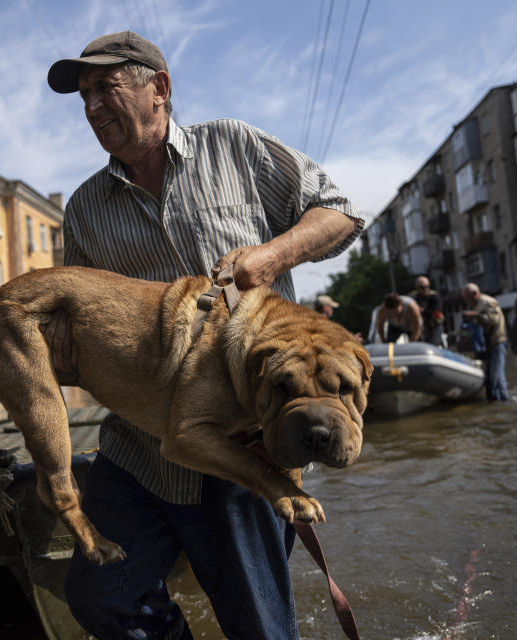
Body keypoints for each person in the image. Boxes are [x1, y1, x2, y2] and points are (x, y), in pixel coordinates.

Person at [44, 31, 362, 639]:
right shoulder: (84, 207)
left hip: (244, 450)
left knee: (259, 629)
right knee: (100, 596)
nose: (90, 108)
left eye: (105, 88)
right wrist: (45, 357)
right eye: (83, 96)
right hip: (137, 449)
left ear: (158, 89)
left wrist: (273, 256)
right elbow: (77, 329)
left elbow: (340, 213)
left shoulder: (234, 146)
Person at [462, 282, 509, 401]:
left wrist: (476, 315)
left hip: (497, 341)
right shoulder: (475, 304)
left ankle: (503, 400)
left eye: (468, 298)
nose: (467, 301)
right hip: (485, 345)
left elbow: (493, 320)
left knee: (497, 375)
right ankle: (493, 400)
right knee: (488, 377)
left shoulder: (488, 302)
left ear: (475, 293)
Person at [409, 276, 445, 346]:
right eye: (422, 287)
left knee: (432, 345)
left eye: (427, 287)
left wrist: (422, 311)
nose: (425, 289)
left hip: (434, 326)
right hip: (419, 326)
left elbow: (437, 312)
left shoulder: (434, 297)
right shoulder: (413, 297)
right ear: (417, 288)